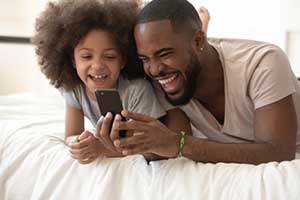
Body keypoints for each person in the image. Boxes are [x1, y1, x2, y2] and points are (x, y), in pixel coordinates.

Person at [98, 0, 300, 164]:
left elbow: (278, 153)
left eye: (164, 54)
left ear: (198, 41)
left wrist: (180, 144)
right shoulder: (161, 81)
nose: (154, 69)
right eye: (145, 59)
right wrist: (131, 144)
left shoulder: (262, 63)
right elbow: (166, 146)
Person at [32, 0, 191, 164]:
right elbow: (71, 134)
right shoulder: (74, 89)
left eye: (109, 57)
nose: (97, 66)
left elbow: (147, 145)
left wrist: (101, 148)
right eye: (86, 56)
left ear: (123, 60)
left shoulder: (136, 90)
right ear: (73, 60)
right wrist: (78, 143)